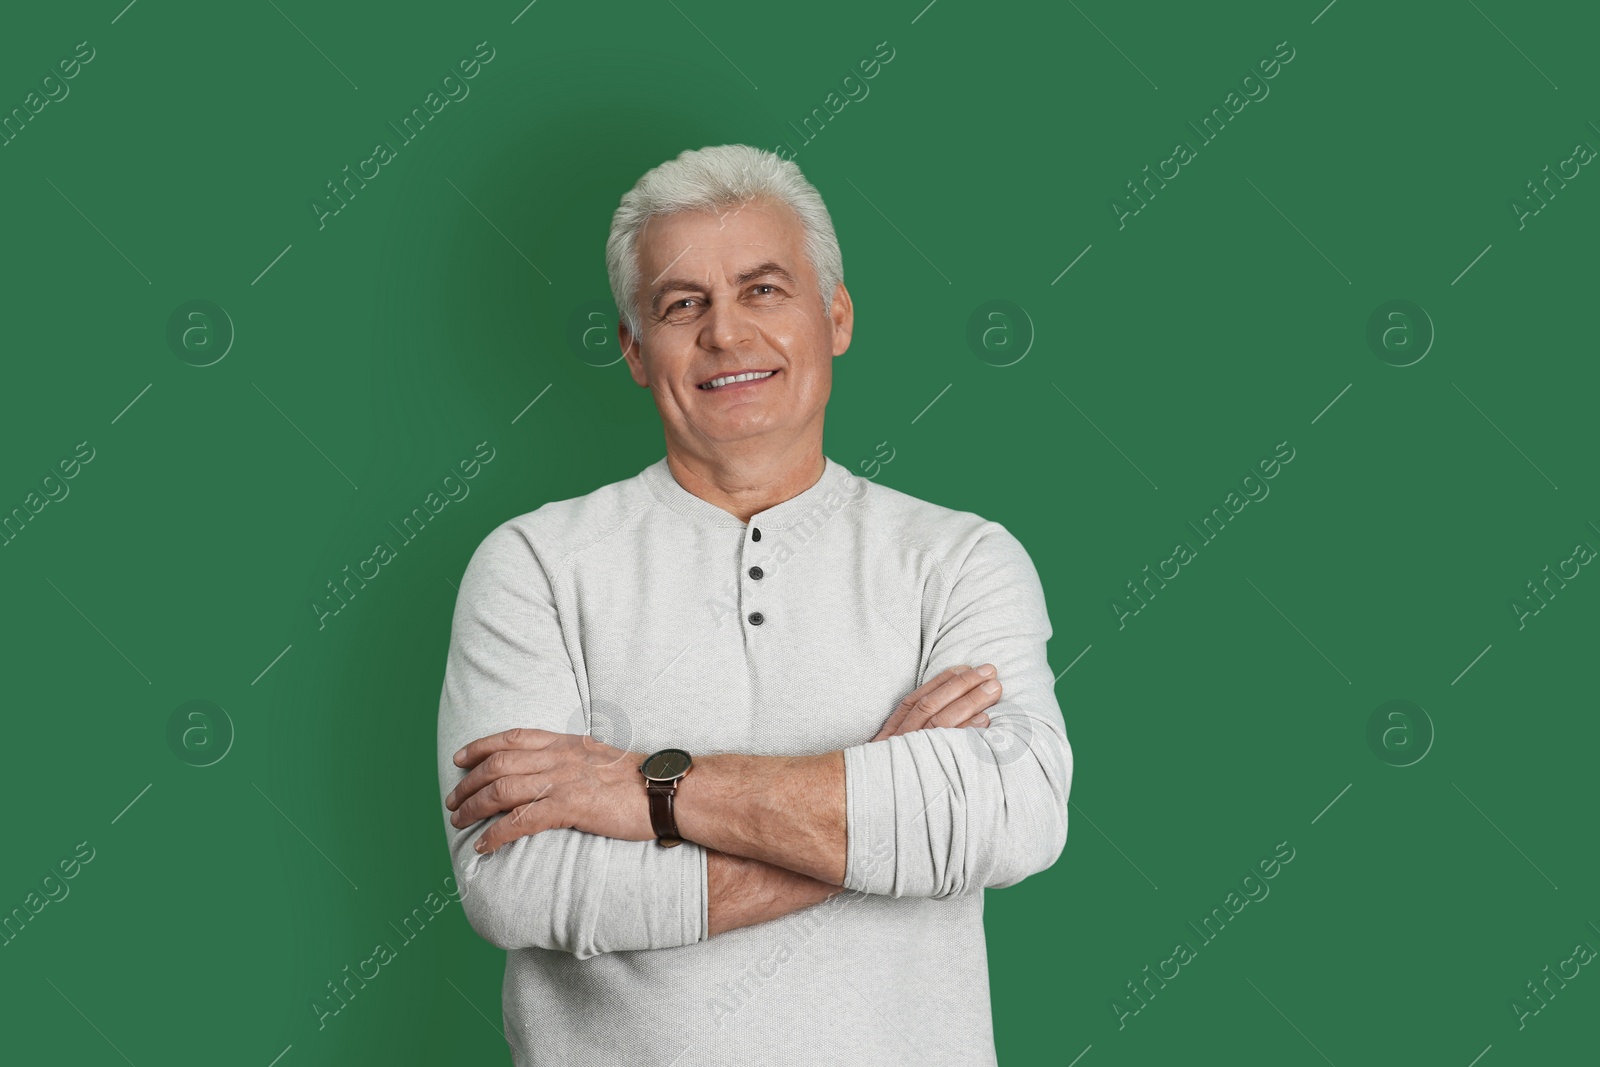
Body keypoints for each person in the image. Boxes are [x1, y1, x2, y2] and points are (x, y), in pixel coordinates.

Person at [436, 143, 1072, 1066]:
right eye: (681, 304)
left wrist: (648, 788)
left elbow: (1010, 817)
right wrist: (877, 807)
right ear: (633, 349)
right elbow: (519, 881)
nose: (726, 335)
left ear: (836, 316)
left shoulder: (961, 559)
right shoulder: (532, 565)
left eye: (764, 289)